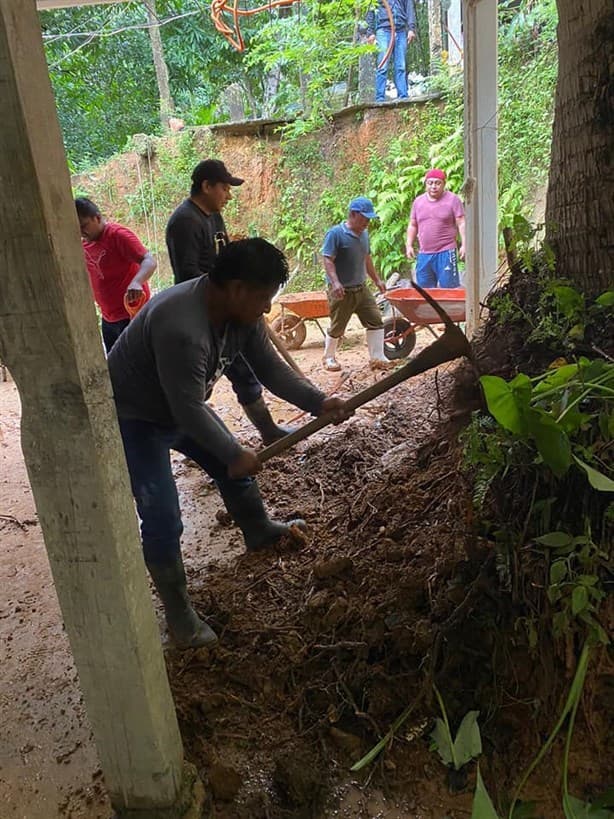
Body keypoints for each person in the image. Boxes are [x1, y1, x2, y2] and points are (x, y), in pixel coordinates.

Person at [107, 238, 350, 650]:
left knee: (231, 466)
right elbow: (186, 408)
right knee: (163, 514)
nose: (268, 308)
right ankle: (180, 615)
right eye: (264, 297)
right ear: (237, 289)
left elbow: (271, 371)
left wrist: (318, 403)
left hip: (181, 406)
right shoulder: (182, 325)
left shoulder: (241, 316)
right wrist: (233, 454)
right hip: (136, 416)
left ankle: (257, 529)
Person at [165, 158, 291, 446]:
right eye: (224, 187)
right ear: (206, 186)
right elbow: (188, 274)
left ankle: (265, 431)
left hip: (229, 305)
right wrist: (232, 299)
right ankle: (204, 443)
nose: (228, 195)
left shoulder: (212, 216)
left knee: (245, 372)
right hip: (206, 313)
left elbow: (223, 256)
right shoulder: (185, 222)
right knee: (198, 389)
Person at [75, 198, 157, 353]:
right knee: (116, 366)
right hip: (109, 318)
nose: (81, 233)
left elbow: (149, 261)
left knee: (138, 364)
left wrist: (137, 282)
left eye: (84, 226)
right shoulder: (83, 244)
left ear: (97, 218)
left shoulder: (117, 235)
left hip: (132, 316)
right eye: (76, 229)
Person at [320, 196, 392, 372]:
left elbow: (366, 258)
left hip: (362, 288)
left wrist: (377, 280)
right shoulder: (336, 234)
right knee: (338, 326)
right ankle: (329, 357)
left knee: (375, 320)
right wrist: (335, 282)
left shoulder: (365, 235)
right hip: (342, 291)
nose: (367, 222)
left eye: (369, 218)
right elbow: (327, 259)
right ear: (353, 214)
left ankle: (377, 357)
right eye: (364, 218)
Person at [405, 169, 466, 288]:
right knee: (425, 291)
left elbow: (461, 222)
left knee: (449, 290)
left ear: (444, 184)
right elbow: (413, 225)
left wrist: (464, 244)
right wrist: (409, 245)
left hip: (446, 251)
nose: (433, 186)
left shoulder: (453, 200)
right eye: (430, 183)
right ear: (426, 184)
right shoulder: (418, 202)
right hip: (424, 253)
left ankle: (447, 308)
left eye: (437, 183)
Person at [366, 0, 417, 103]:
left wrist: (411, 29)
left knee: (401, 66)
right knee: (382, 65)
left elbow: (409, 8)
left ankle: (403, 96)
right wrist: (370, 32)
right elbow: (370, 9)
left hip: (401, 30)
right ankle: (380, 98)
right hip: (383, 30)